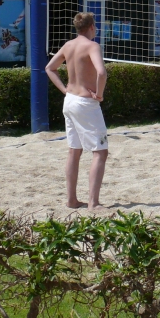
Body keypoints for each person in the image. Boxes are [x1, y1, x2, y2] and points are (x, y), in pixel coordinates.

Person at [45, 12, 108, 210]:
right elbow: (101, 72)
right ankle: (93, 203)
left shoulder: (68, 45)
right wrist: (99, 94)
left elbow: (49, 68)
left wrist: (64, 90)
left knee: (74, 150)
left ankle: (71, 200)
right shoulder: (92, 46)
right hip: (85, 103)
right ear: (92, 27)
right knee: (100, 152)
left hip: (70, 100)